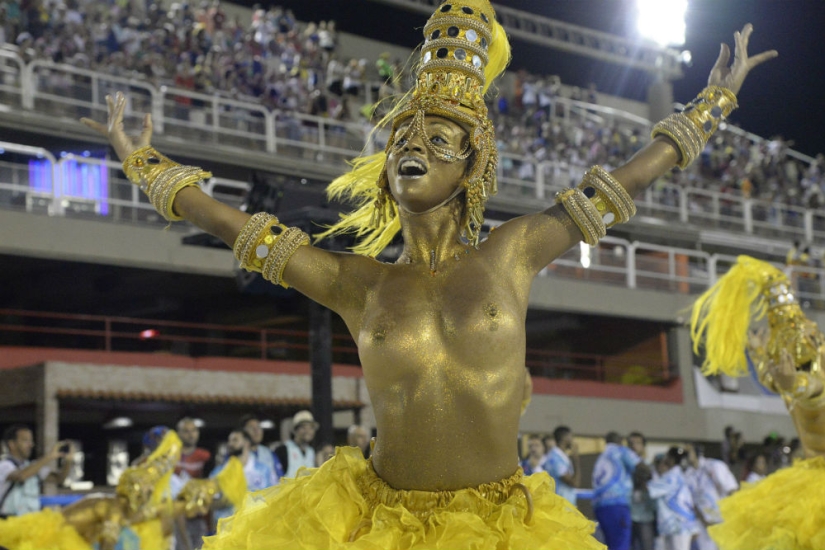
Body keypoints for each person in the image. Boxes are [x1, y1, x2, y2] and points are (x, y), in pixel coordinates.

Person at [81, 0, 775, 544]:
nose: (410, 148)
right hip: (379, 526)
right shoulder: (358, 284)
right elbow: (243, 232)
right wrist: (143, 163)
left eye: (437, 138)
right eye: (400, 141)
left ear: (471, 164)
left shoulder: (513, 251)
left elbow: (622, 184)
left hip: (502, 530)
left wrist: (713, 104)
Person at [690, 255, 825, 549]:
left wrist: (759, 356)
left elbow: (780, 381)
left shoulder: (796, 380)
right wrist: (782, 375)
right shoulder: (807, 381)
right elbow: (807, 389)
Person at [0, 425, 73, 517]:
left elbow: (59, 479)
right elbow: (21, 476)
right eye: (25, 441)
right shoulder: (4, 465)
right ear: (12, 444)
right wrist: (50, 456)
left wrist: (68, 461)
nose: (31, 445)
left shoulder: (33, 466)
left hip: (30, 521)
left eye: (31, 441)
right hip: (7, 521)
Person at [209, 429, 277, 524]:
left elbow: (275, 498)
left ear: (246, 443)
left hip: (256, 526)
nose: (230, 444)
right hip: (227, 528)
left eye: (235, 440)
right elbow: (210, 504)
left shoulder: (264, 470)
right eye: (229, 441)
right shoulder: (218, 472)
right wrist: (227, 500)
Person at [591, 432, 642, 550]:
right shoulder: (622, 451)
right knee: (620, 544)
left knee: (610, 544)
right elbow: (642, 468)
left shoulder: (601, 457)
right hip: (617, 505)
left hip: (599, 506)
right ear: (621, 441)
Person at [684, 443, 738, 550]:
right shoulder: (687, 474)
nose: (685, 455)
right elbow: (692, 502)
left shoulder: (714, 465)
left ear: (697, 452)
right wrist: (704, 521)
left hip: (723, 518)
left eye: (688, 452)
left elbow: (732, 490)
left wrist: (732, 515)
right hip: (704, 523)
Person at [647, 447, 700, 550]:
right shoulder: (677, 475)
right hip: (677, 526)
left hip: (679, 525)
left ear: (671, 459)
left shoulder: (671, 477)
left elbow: (650, 489)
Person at [175, 417, 212, 550]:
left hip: (198, 516)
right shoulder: (171, 456)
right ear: (178, 433)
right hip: (175, 517)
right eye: (186, 431)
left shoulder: (205, 456)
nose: (191, 434)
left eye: (194, 430)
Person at [627, 432, 655, 550]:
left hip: (645, 516)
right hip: (627, 514)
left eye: (638, 443)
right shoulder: (623, 467)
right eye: (631, 443)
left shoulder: (649, 466)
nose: (634, 446)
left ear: (643, 446)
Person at [274, 410, 319, 479]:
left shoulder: (311, 451)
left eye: (311, 428)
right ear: (295, 430)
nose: (308, 431)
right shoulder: (283, 450)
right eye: (303, 427)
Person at [240, 414, 283, 482]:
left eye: (258, 427)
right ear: (243, 432)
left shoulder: (269, 453)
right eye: (251, 428)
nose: (256, 431)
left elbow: (281, 479)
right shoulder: (237, 454)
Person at [545, 425, 580, 505]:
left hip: (566, 505)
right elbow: (574, 483)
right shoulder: (555, 458)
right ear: (565, 438)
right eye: (571, 437)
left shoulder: (562, 456)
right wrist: (576, 460)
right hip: (560, 506)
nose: (572, 440)